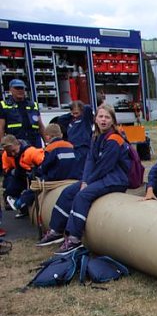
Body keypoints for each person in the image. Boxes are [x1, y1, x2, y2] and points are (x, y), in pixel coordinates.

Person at [44, 104, 130, 251]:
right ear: (95, 119)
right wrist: (84, 180)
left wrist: (88, 183)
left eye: (107, 117)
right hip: (99, 177)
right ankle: (56, 230)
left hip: (115, 179)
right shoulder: (96, 137)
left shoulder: (114, 139)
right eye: (101, 116)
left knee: (82, 196)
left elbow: (105, 166)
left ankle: (74, 238)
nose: (103, 120)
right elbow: (90, 160)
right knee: (68, 192)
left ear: (113, 121)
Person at [2, 134, 45, 217]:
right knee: (9, 188)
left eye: (14, 151)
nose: (13, 154)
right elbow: (6, 170)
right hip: (20, 175)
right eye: (9, 152)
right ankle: (23, 209)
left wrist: (34, 171)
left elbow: (45, 164)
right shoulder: (6, 155)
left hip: (35, 176)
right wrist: (13, 172)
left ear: (18, 144)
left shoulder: (31, 152)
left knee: (31, 191)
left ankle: (25, 204)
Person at [0, 79, 46, 147]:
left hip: (34, 143)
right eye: (17, 88)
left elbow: (41, 126)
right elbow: (1, 128)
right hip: (15, 145)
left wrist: (47, 143)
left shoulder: (33, 105)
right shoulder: (4, 105)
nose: (20, 90)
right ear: (11, 90)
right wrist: (2, 146)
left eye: (22, 88)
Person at [55, 101, 95, 177]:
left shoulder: (85, 119)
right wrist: (71, 114)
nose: (75, 115)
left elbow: (88, 108)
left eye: (77, 113)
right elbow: (60, 119)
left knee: (84, 169)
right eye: (73, 113)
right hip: (73, 148)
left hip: (83, 148)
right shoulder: (71, 121)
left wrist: (79, 107)